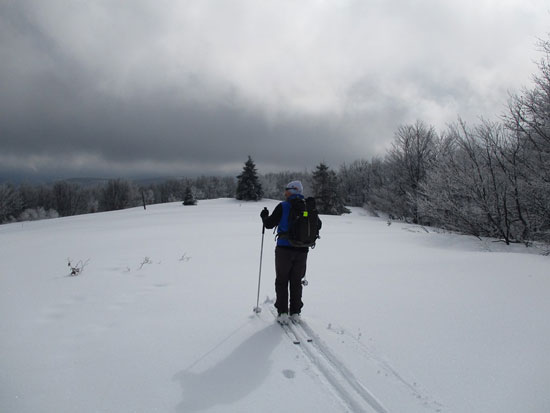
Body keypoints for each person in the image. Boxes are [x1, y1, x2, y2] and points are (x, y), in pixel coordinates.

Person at [260, 180, 322, 324]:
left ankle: (282, 313)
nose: (285, 192)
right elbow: (318, 224)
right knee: (296, 281)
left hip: (284, 250)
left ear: (292, 190)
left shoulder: (283, 206)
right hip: (302, 250)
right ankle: (295, 312)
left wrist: (264, 216)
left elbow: (269, 224)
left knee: (282, 281)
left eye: (287, 189)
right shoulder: (308, 207)